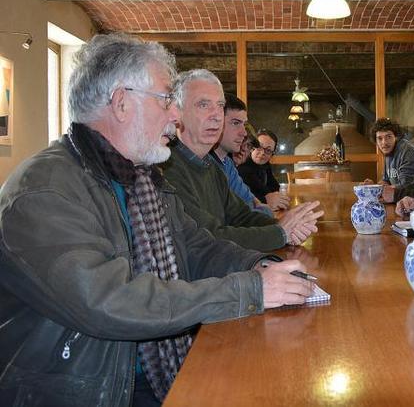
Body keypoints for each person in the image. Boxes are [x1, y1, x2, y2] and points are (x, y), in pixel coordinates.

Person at [0, 33, 313, 407]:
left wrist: (259, 265)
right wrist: (247, 290)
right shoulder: (45, 190)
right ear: (120, 103)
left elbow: (197, 247)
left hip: (151, 369)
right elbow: (109, 301)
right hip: (86, 390)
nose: (176, 115)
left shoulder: (144, 178)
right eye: (167, 99)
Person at [162, 69, 322, 249]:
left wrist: (284, 226)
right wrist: (280, 233)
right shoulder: (167, 169)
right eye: (203, 104)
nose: (216, 116)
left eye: (220, 106)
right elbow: (207, 238)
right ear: (177, 113)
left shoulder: (211, 167)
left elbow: (241, 216)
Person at [211, 93, 273, 216]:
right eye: (235, 123)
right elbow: (233, 217)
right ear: (216, 122)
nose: (244, 133)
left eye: (244, 124)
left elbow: (253, 204)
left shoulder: (227, 164)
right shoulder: (208, 165)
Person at [365, 117, 414, 195]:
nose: (384, 143)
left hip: (412, 202)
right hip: (397, 200)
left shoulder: (407, 152)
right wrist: (373, 186)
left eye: (388, 137)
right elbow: (386, 181)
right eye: (380, 138)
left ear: (396, 137)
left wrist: (377, 189)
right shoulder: (388, 152)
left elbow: (407, 187)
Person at [238, 129, 291, 211]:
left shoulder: (265, 165)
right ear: (252, 147)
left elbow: (275, 186)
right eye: (259, 147)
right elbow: (263, 194)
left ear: (271, 155)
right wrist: (268, 199)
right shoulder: (242, 166)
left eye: (268, 150)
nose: (262, 153)